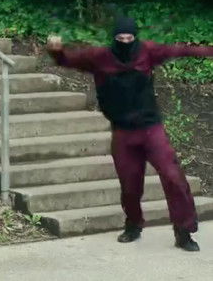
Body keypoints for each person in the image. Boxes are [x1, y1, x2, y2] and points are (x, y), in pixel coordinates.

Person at [47, 16, 213, 252]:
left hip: (151, 129)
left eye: (129, 38)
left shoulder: (148, 52)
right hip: (123, 132)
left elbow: (181, 50)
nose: (125, 42)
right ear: (114, 38)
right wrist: (56, 51)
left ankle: (183, 231)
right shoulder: (99, 57)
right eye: (120, 38)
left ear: (135, 37)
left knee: (173, 176)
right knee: (130, 185)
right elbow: (68, 60)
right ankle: (133, 224)